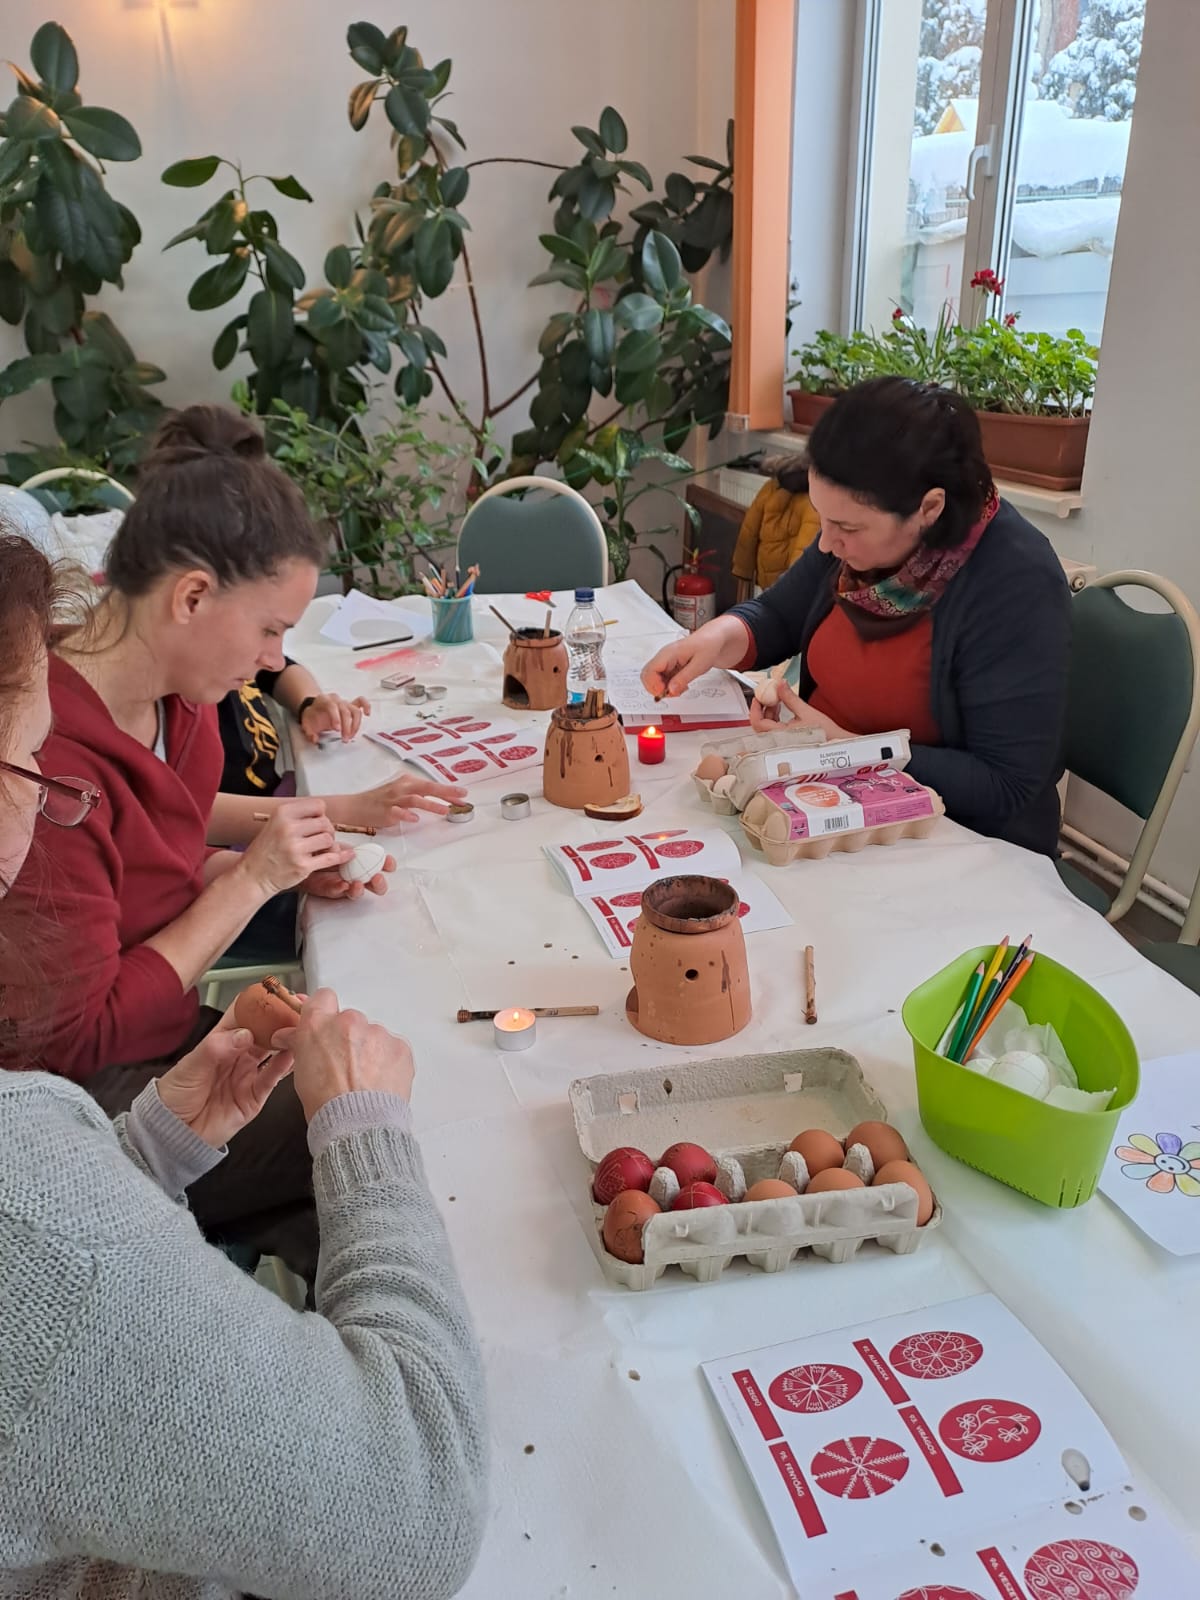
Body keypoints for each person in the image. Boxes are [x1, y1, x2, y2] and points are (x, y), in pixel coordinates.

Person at [0, 533, 488, 1600]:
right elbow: (415, 1522)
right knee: (421, 1155)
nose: (48, 800)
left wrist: (149, 1146)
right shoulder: (37, 1211)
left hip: (124, 1102)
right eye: (29, 767)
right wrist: (362, 1137)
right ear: (189, 596)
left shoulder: (172, 712)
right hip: (105, 1070)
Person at [10, 405, 462, 1275]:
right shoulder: (47, 760)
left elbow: (156, 863)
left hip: (165, 1037)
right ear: (191, 597)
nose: (273, 660)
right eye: (269, 630)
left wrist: (282, 871)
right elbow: (82, 1040)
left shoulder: (179, 701)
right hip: (85, 1109)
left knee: (373, 1076)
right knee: (386, 1126)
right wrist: (251, 882)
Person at [643, 377, 1071, 855]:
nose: (827, 544)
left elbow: (1004, 783)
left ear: (929, 508)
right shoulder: (861, 541)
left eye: (846, 527)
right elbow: (779, 614)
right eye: (822, 519)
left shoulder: (1016, 583)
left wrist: (847, 749)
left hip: (947, 838)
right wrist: (716, 638)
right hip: (827, 793)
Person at [219, 658, 371, 797]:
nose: (277, 660)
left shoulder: (240, 658)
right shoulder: (207, 697)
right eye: (268, 636)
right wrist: (342, 808)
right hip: (251, 811)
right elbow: (208, 807)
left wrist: (308, 704)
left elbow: (274, 670)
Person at [732, 451, 821, 601]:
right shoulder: (815, 502)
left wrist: (742, 569)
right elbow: (803, 551)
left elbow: (749, 531)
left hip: (767, 573)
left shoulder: (772, 486)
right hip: (791, 584)